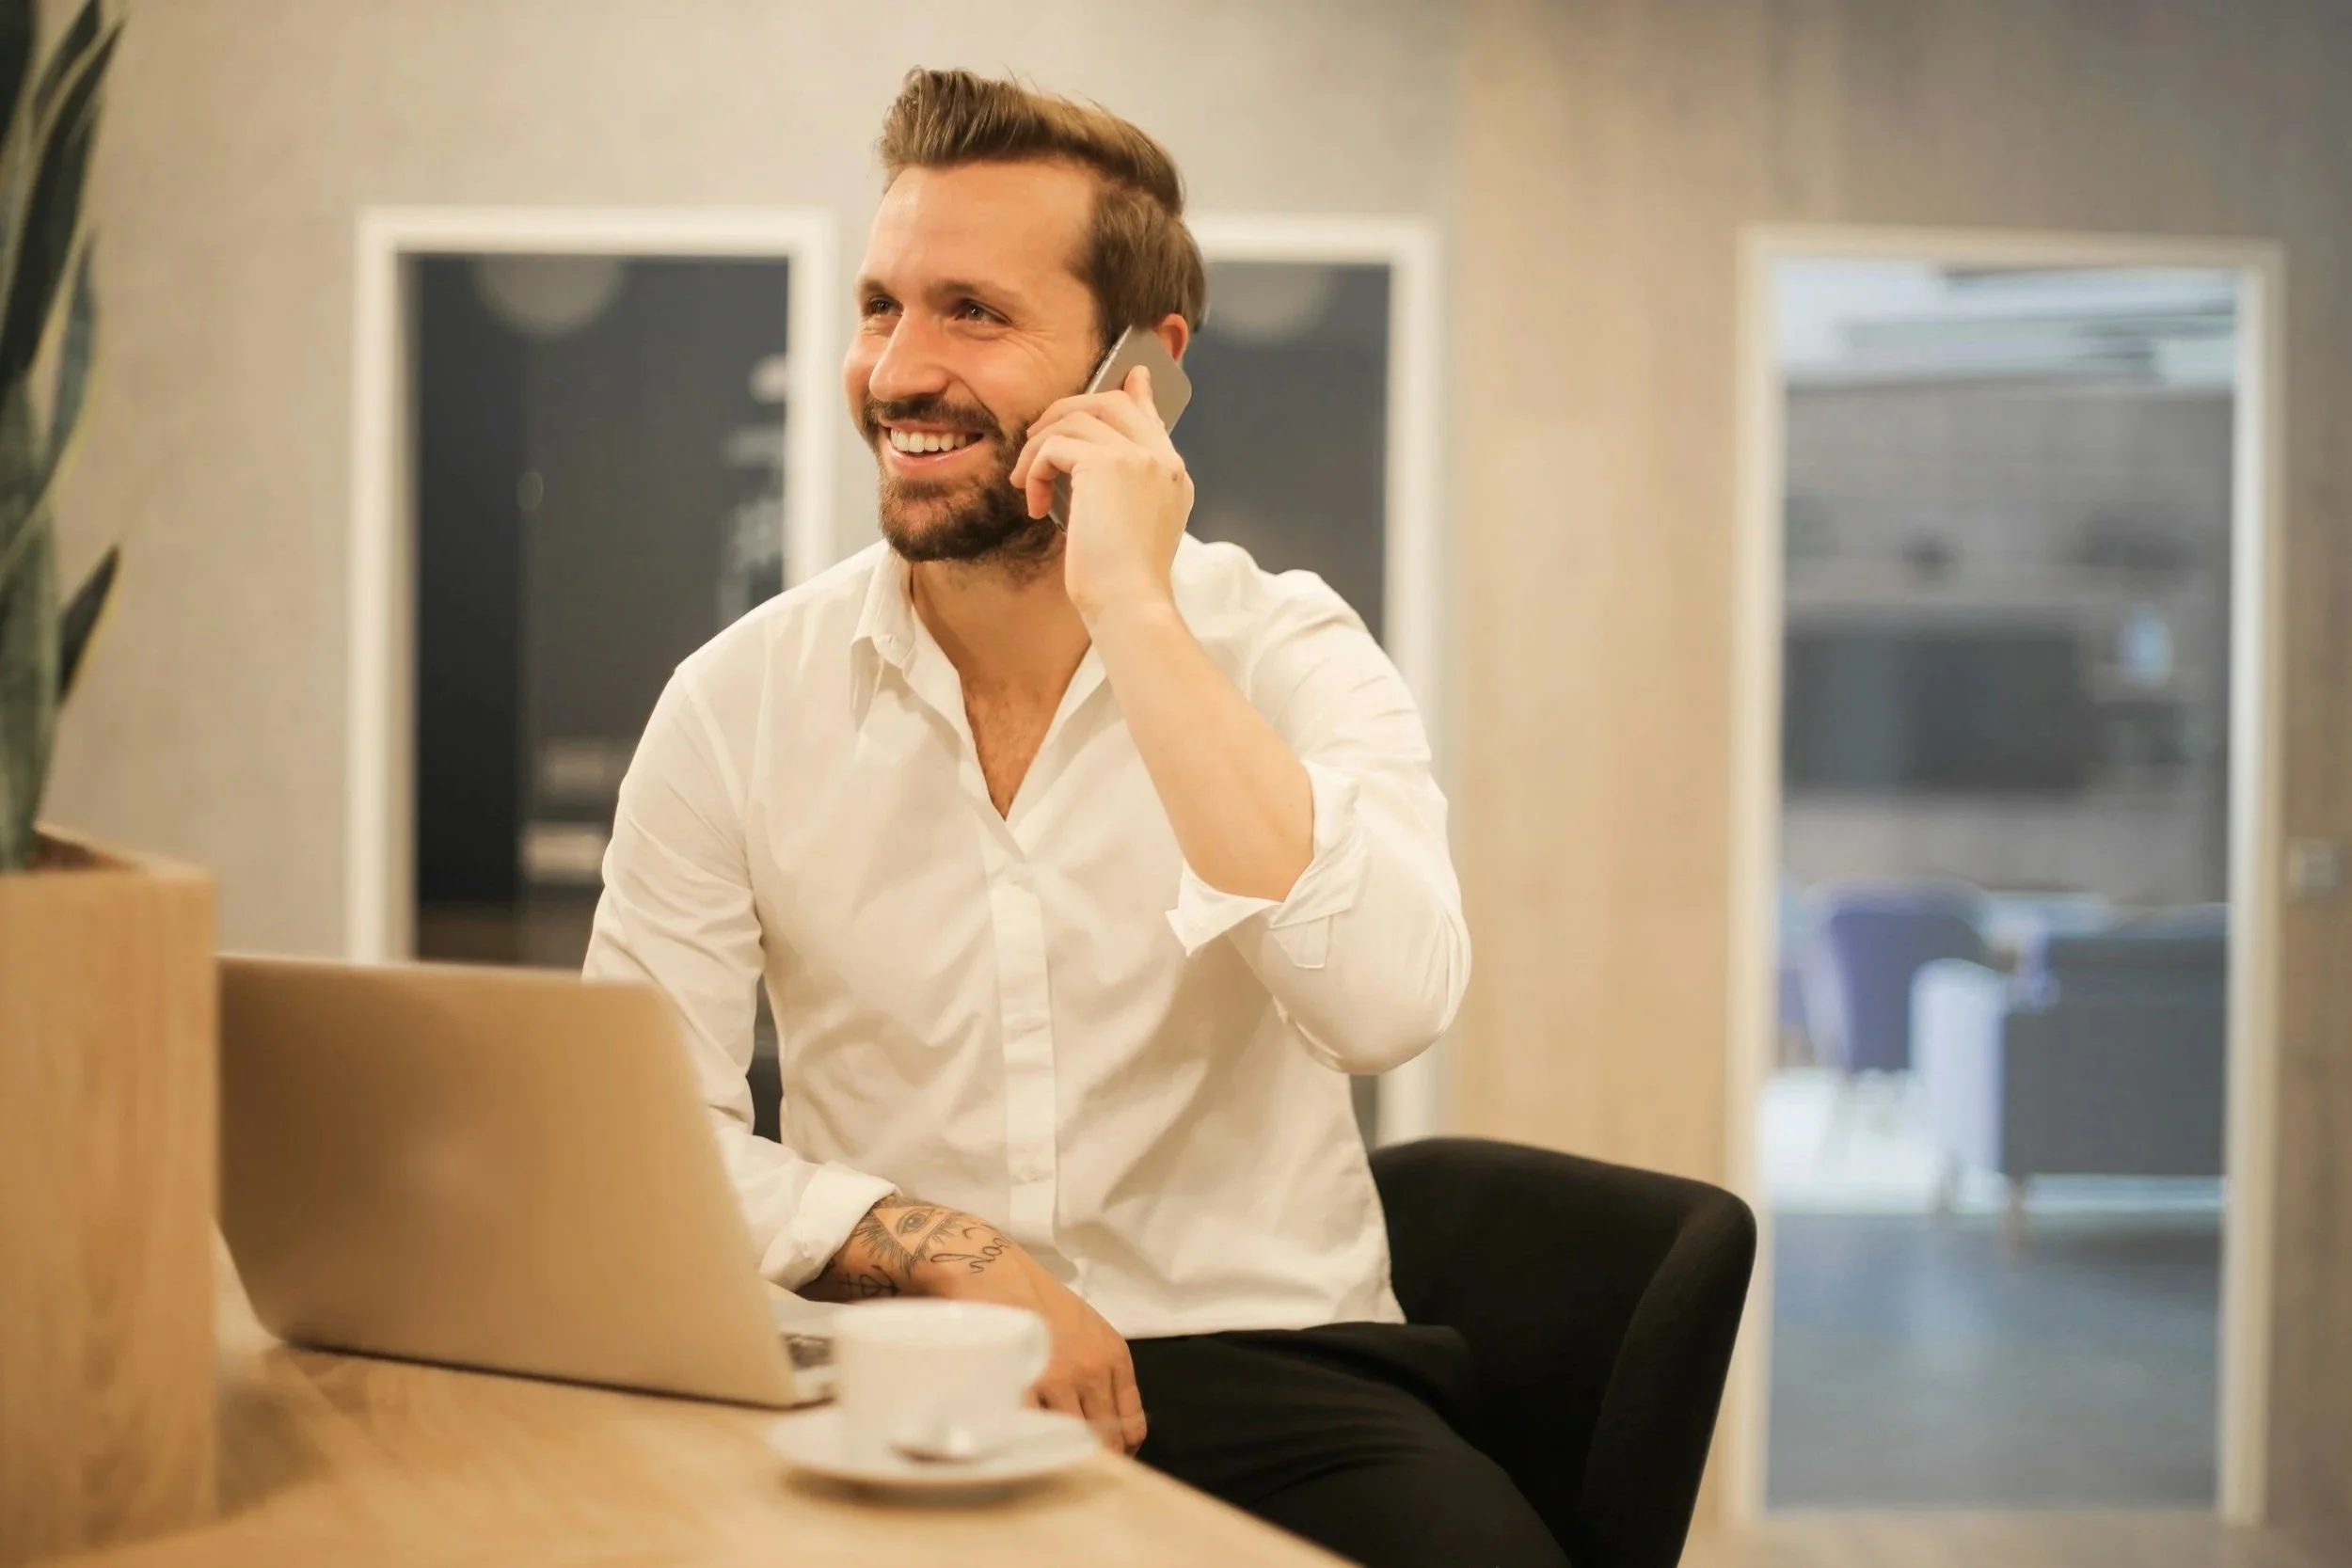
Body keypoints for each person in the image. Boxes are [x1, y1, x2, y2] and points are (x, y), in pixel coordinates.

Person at [584, 67, 1564, 1568]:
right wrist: (951, 1251)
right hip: (898, 1364)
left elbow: (1386, 1004)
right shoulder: (735, 704)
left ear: (1139, 369)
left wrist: (1134, 608)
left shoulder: (1288, 649)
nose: (897, 371)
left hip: (1274, 1366)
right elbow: (643, 1136)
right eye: (879, 307)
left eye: (972, 312)